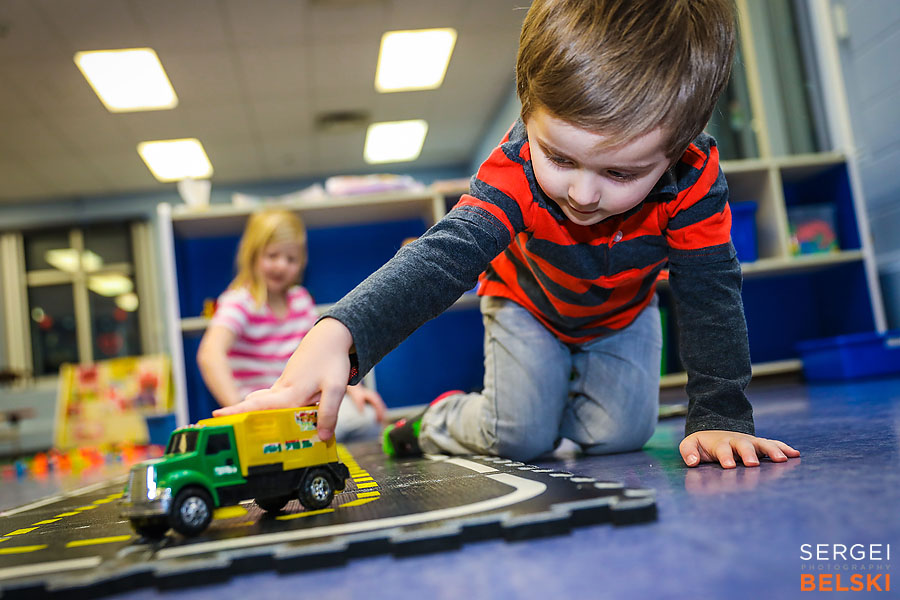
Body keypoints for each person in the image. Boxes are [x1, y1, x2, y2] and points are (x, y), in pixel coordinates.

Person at [214, 0, 800, 469]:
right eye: (561, 159)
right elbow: (444, 258)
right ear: (528, 103)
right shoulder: (516, 167)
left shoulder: (694, 178)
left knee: (620, 437)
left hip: (622, 314)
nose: (583, 195)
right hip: (526, 303)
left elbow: (710, 292)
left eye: (620, 173)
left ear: (678, 145)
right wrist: (340, 332)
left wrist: (720, 414)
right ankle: (435, 421)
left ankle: (556, 405)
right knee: (519, 436)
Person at [197, 207, 386, 440]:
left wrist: (355, 390)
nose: (281, 266)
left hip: (303, 405)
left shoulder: (301, 300)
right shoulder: (241, 301)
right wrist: (238, 409)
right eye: (272, 256)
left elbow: (326, 353)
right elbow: (210, 355)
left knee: (366, 419)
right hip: (265, 411)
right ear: (253, 255)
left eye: (291, 259)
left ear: (302, 263)